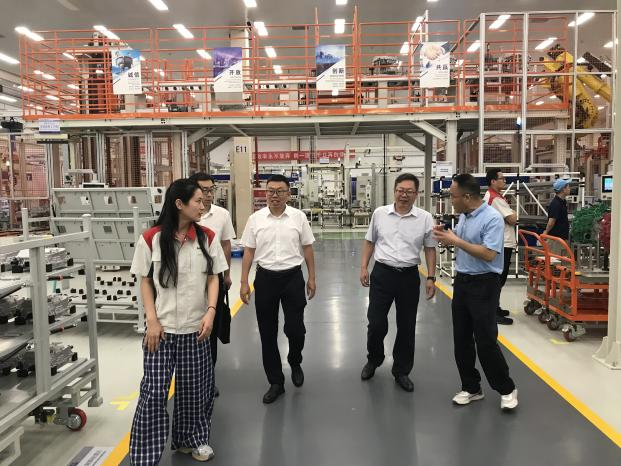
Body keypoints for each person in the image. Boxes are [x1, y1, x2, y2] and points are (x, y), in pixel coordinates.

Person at [129, 179, 229, 464]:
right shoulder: (151, 238)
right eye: (197, 200)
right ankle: (145, 455)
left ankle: (191, 440)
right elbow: (145, 280)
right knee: (153, 393)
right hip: (160, 332)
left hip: (196, 329)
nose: (203, 205)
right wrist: (152, 320)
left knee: (196, 390)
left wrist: (211, 311)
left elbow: (214, 277)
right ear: (179, 204)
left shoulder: (207, 237)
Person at [433, 174, 518, 411]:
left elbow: (489, 254)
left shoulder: (492, 218)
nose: (451, 200)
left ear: (467, 197)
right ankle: (471, 387)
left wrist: (456, 241)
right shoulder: (465, 216)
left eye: (453, 196)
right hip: (463, 282)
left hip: (484, 284)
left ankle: (507, 388)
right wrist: (447, 237)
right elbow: (464, 244)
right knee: (461, 339)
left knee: (485, 340)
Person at [240, 174, 316, 404]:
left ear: (288, 194)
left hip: (292, 277)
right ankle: (276, 382)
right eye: (270, 191)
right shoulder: (255, 219)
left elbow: (307, 248)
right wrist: (244, 281)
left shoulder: (298, 217)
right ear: (265, 193)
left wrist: (312, 277)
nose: (274, 195)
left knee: (295, 329)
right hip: (265, 279)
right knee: (267, 332)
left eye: (280, 191)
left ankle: (295, 360)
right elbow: (249, 251)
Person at [359, 173, 437, 392]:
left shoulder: (425, 218)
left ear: (416, 194)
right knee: (376, 322)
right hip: (382, 274)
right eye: (401, 190)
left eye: (409, 191)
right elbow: (369, 241)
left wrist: (431, 277)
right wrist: (364, 267)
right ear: (394, 191)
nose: (404, 195)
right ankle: (374, 359)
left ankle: (401, 370)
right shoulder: (380, 214)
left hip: (409, 276)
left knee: (407, 325)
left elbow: (430, 249)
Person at [189, 172, 236, 397]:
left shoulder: (222, 215)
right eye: (203, 190)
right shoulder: (186, 214)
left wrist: (226, 274)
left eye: (211, 190)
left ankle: (209, 378)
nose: (208, 195)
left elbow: (226, 245)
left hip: (213, 277)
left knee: (211, 327)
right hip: (189, 279)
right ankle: (190, 376)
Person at [484, 169, 516, 326]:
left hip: (499, 242)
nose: (504, 181)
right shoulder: (495, 198)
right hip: (502, 243)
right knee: (498, 279)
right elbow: (512, 219)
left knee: (497, 278)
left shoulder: (492, 196)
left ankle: (494, 308)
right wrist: (514, 212)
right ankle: (493, 312)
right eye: (502, 179)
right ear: (493, 181)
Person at [543, 178, 571, 256]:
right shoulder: (556, 203)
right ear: (563, 189)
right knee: (556, 260)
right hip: (555, 240)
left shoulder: (562, 202)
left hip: (561, 239)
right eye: (568, 187)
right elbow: (551, 222)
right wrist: (546, 231)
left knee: (562, 260)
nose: (569, 189)